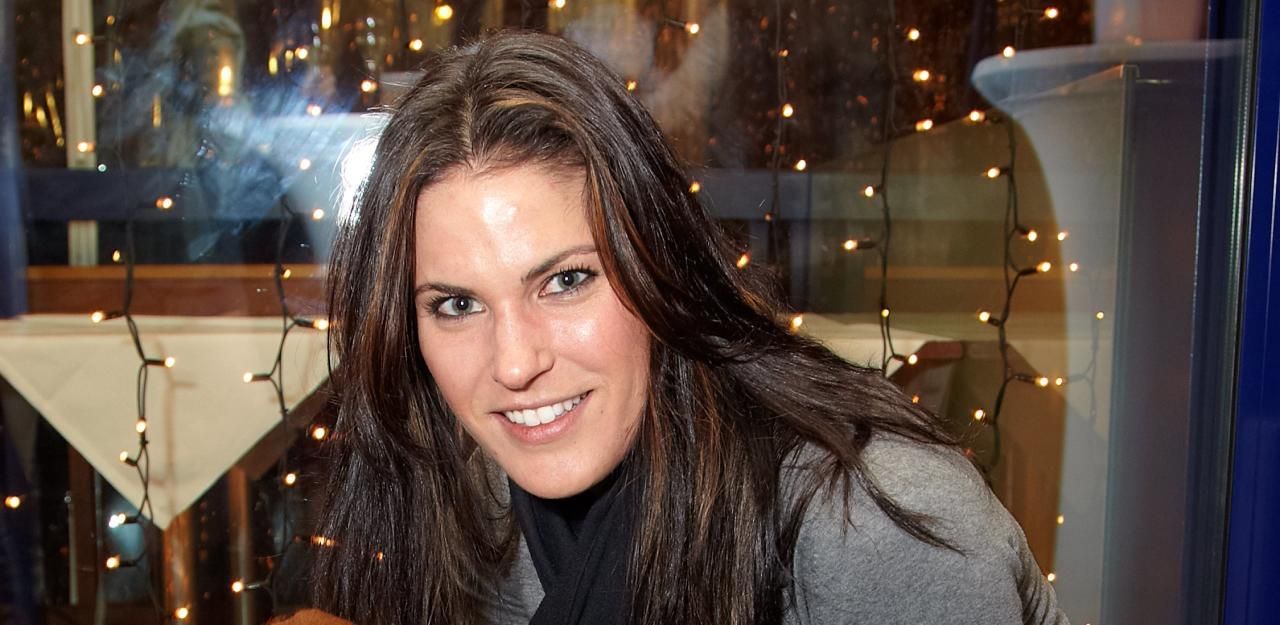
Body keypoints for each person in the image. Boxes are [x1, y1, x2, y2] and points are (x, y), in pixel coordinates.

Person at [309, 30, 1068, 625]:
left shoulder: (872, 520)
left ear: (659, 265)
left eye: (566, 281)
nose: (513, 363)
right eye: (456, 305)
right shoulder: (471, 502)